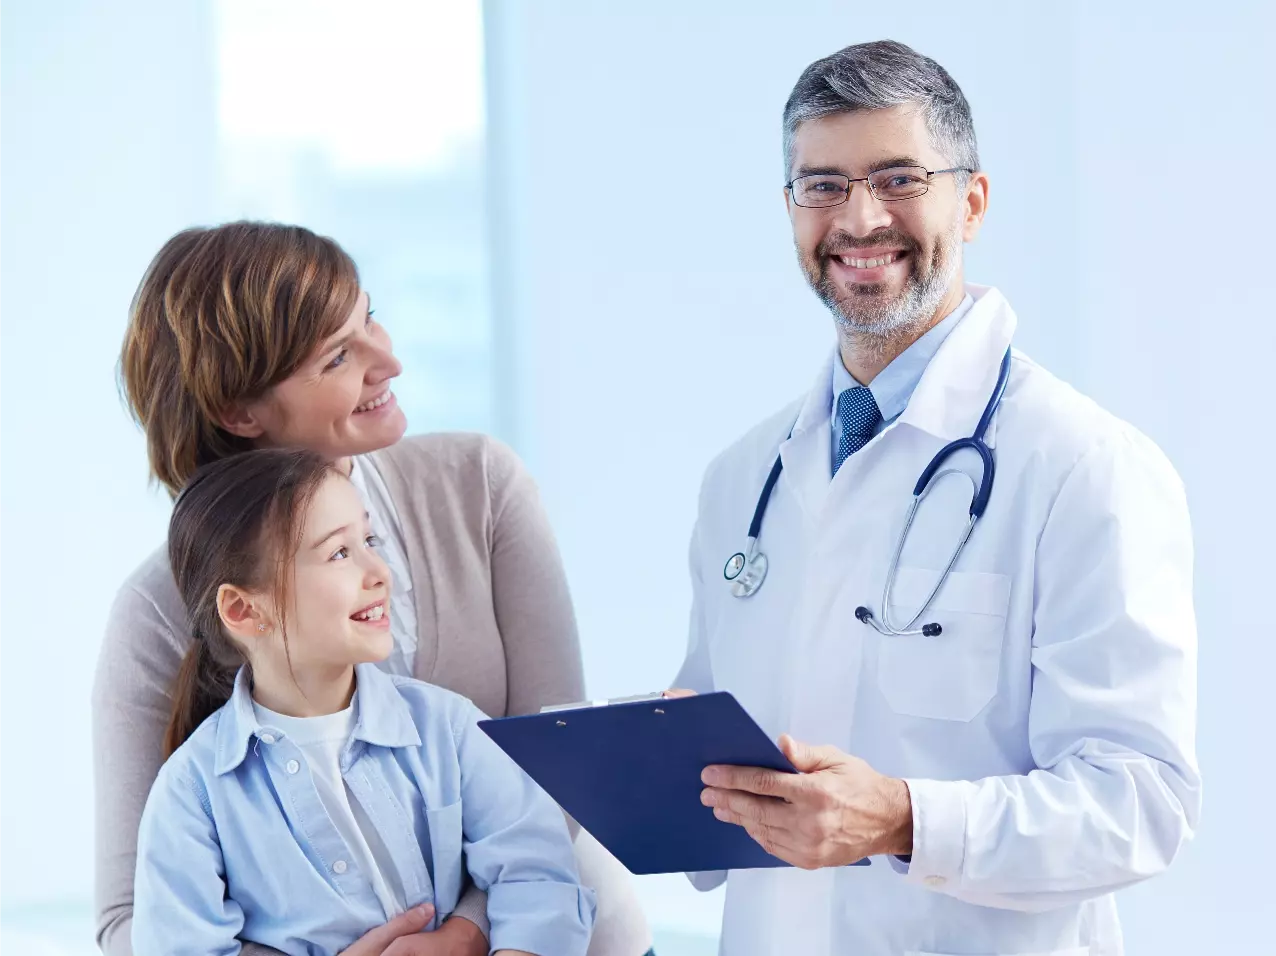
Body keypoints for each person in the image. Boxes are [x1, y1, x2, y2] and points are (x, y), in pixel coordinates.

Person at [673, 39, 1200, 955]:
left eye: (899, 178)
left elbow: (1142, 801)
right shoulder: (742, 479)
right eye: (823, 185)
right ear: (791, 209)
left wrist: (904, 820)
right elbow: (720, 760)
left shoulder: (1084, 466)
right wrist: (656, 764)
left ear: (973, 201)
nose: (859, 218)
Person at [94, 222, 652, 956]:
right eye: (337, 355)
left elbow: (560, 779)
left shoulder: (482, 485)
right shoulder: (159, 613)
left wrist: (464, 934)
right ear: (240, 412)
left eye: (370, 319)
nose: (389, 361)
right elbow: (133, 918)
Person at [133, 448, 594, 956]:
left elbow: (537, 872)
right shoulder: (191, 793)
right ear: (243, 609)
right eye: (338, 553)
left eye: (369, 540)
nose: (379, 572)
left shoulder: (450, 727)